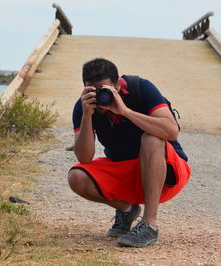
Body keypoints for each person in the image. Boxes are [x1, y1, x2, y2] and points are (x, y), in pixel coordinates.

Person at [67, 58, 191, 247]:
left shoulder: (140, 88)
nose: (100, 97)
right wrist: (86, 116)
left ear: (118, 84)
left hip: (167, 173)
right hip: (127, 175)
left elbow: (171, 131)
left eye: (105, 90)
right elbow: (84, 157)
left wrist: (124, 111)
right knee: (76, 176)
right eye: (93, 91)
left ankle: (149, 225)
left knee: (151, 138)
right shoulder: (84, 106)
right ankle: (127, 210)